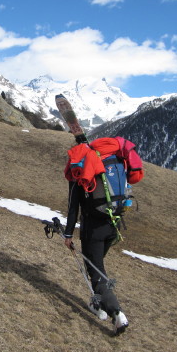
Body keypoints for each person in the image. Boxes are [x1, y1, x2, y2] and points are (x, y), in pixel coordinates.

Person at [62, 137, 143, 335]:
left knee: (96, 273)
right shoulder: (115, 158)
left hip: (94, 229)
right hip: (113, 225)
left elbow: (73, 207)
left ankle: (116, 314)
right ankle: (97, 305)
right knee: (97, 266)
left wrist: (68, 234)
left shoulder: (79, 170)